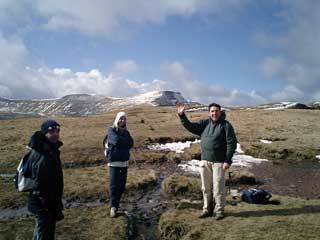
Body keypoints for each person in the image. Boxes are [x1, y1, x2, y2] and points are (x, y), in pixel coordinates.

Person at [176, 102, 237, 220]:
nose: (214, 113)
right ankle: (207, 209)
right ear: (209, 113)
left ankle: (219, 210)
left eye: (216, 111)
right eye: (212, 111)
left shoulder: (226, 125)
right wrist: (182, 115)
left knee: (218, 187)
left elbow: (231, 143)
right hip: (205, 161)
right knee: (205, 187)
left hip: (219, 162)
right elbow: (190, 126)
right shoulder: (205, 124)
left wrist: (227, 160)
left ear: (220, 112)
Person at [27, 119, 64, 239]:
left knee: (41, 232)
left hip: (45, 203)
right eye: (51, 131)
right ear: (44, 133)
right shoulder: (44, 155)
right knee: (44, 234)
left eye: (57, 130)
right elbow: (41, 186)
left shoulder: (49, 150)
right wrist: (51, 208)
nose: (55, 134)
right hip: (43, 205)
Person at [104, 112, 134, 218]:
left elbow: (131, 143)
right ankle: (113, 207)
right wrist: (124, 142)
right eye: (121, 119)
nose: (123, 121)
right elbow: (115, 141)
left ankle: (116, 204)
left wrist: (123, 142)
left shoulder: (126, 132)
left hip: (124, 163)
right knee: (114, 185)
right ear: (117, 119)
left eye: (124, 119)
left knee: (121, 186)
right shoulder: (111, 130)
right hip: (113, 163)